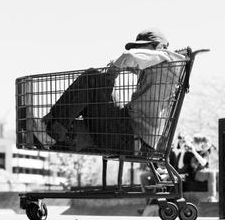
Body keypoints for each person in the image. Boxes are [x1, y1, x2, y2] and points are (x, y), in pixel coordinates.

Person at [40, 30, 187, 154]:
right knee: (95, 85)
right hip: (129, 133)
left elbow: (128, 57)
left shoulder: (166, 57)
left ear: (158, 46)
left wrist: (114, 69)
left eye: (141, 47)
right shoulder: (159, 69)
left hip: (131, 138)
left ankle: (50, 131)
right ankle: (59, 133)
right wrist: (111, 74)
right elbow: (133, 63)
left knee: (92, 78)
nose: (137, 50)